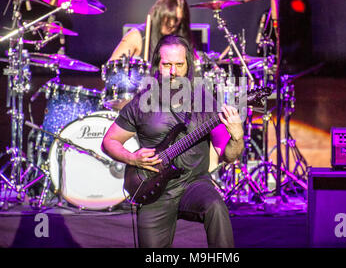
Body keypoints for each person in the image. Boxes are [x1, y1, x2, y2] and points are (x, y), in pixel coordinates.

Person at [102, 35, 244, 248]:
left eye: (179, 64)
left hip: (194, 183)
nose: (174, 71)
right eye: (167, 64)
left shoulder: (204, 100)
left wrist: (237, 137)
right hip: (152, 188)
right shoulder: (141, 103)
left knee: (216, 206)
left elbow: (229, 155)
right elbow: (109, 141)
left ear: (188, 65)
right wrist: (132, 158)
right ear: (157, 65)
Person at [109, 0, 194, 62]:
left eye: (177, 20)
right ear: (161, 13)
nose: (172, 23)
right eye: (170, 17)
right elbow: (113, 71)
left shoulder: (180, 42)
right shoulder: (136, 36)